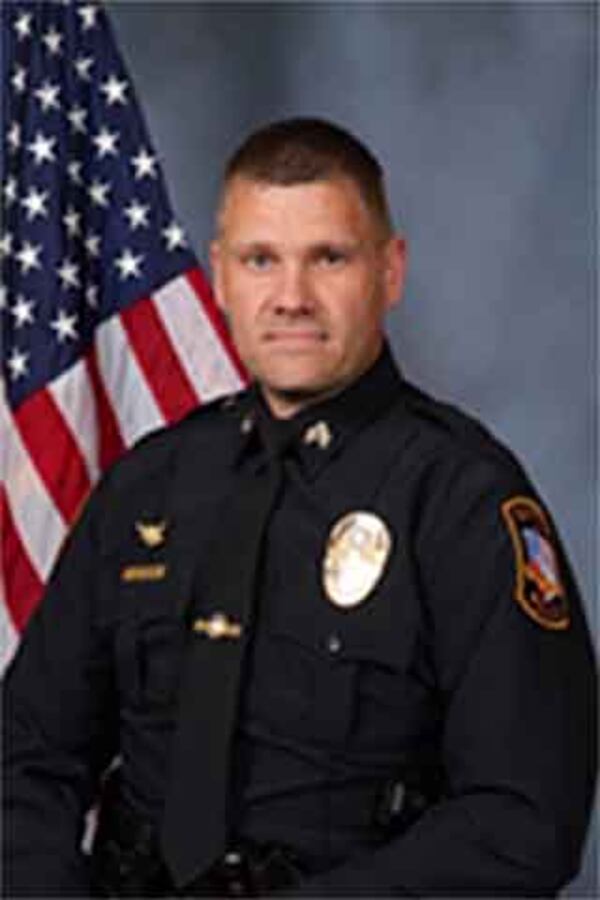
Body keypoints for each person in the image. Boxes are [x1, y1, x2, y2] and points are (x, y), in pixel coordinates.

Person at [3, 117, 597, 898]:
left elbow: (523, 822)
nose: (291, 298)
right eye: (261, 260)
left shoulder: (461, 498)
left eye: (329, 258)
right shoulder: (149, 485)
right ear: (221, 276)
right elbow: (25, 753)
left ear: (390, 272)